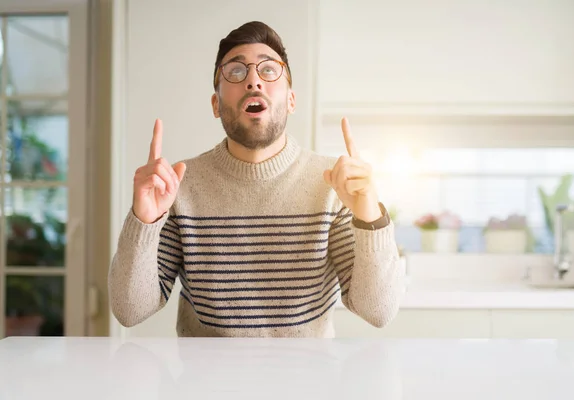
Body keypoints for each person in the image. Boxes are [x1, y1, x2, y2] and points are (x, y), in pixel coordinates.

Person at [108, 21, 404, 338]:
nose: (253, 80)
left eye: (268, 70)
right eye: (236, 72)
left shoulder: (335, 185)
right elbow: (130, 311)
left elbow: (377, 312)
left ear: (291, 99)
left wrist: (370, 216)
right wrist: (144, 220)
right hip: (204, 386)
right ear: (216, 104)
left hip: (310, 384)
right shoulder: (177, 186)